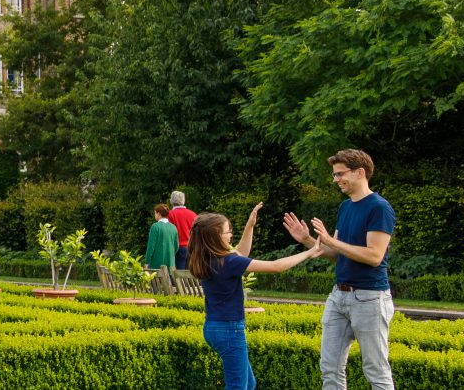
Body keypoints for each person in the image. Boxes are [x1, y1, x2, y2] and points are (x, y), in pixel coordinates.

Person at [282, 149, 397, 390]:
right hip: (338, 296)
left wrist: (331, 241)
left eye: (339, 174)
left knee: (376, 371)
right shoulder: (345, 207)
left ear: (360, 173)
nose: (336, 180)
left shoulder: (379, 207)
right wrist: (307, 240)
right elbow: (335, 253)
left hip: (369, 298)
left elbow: (374, 256)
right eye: (334, 175)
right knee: (330, 368)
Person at [190, 204, 325, 390]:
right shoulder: (228, 261)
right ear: (215, 237)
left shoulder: (206, 258)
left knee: (248, 383)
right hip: (230, 330)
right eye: (228, 231)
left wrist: (250, 226)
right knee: (238, 386)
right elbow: (276, 266)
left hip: (213, 328)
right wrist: (308, 253)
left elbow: (241, 253)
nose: (231, 235)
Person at [143, 204, 178, 272]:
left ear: (158, 213)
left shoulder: (155, 227)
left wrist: (147, 262)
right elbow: (176, 246)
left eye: (155, 213)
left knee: (156, 282)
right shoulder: (174, 227)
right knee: (170, 282)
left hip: (157, 265)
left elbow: (151, 247)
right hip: (171, 264)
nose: (155, 215)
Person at [167, 191, 196, 269]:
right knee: (190, 274)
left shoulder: (170, 214)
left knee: (178, 275)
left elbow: (168, 234)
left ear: (171, 201)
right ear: (183, 200)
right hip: (191, 247)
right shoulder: (193, 214)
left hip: (177, 248)